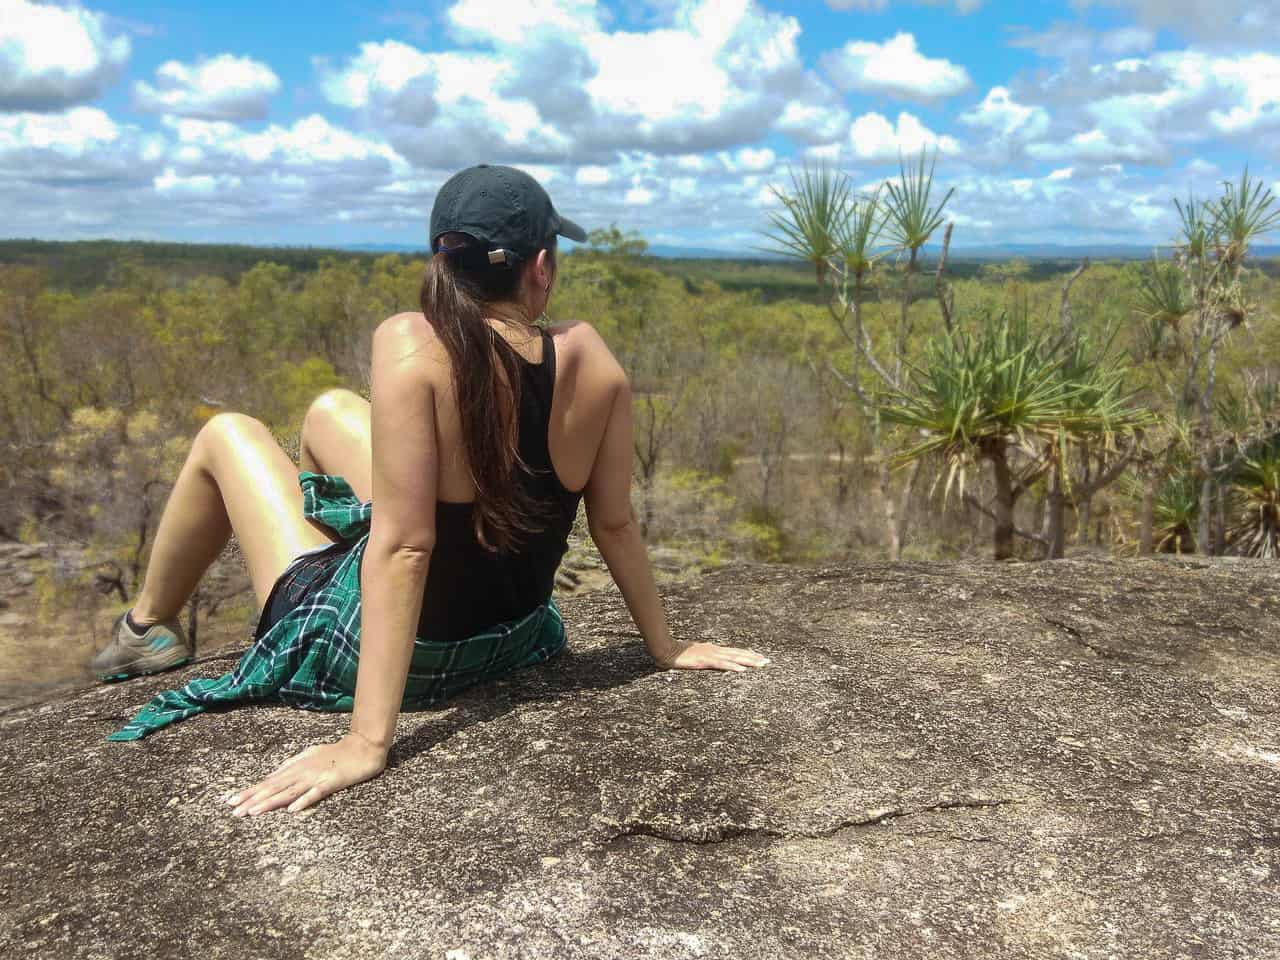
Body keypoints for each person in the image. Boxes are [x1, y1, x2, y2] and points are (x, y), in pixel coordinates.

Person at [89, 164, 771, 816]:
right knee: (328, 411)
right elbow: (615, 524)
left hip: (411, 661)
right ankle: (336, 564)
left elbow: (409, 548)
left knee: (228, 433)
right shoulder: (593, 359)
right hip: (518, 639)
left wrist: (366, 743)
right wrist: (665, 647)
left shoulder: (409, 344)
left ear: (442, 263)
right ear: (541, 267)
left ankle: (148, 626)